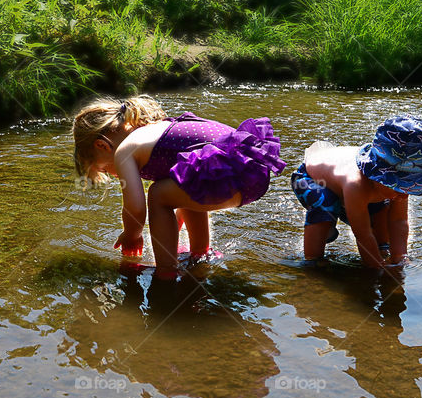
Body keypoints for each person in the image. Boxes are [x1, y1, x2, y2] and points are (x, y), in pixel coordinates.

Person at [73, 95, 286, 277]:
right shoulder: (156, 131)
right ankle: (200, 253)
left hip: (230, 174)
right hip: (254, 170)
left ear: (102, 145)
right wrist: (174, 222)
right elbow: (197, 179)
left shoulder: (125, 150)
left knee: (156, 195)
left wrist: (132, 235)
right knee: (185, 179)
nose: (112, 172)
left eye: (104, 169)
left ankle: (166, 271)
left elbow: (136, 209)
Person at [291, 115, 422, 268]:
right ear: (379, 175)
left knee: (383, 208)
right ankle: (312, 260)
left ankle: (381, 247)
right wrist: (376, 268)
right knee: (325, 204)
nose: (404, 194)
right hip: (311, 179)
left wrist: (400, 256)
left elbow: (399, 221)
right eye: (399, 186)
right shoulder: (355, 184)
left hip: (349, 181)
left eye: (410, 187)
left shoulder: (394, 187)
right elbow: (363, 235)